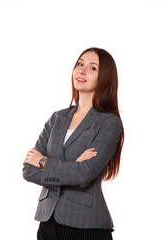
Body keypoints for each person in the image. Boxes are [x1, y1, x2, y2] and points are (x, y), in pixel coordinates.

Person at [23, 47, 124, 240]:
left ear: (105, 78)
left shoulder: (109, 122)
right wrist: (73, 168)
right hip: (47, 224)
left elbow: (85, 174)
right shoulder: (57, 118)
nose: (82, 70)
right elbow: (28, 170)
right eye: (80, 64)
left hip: (86, 226)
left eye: (92, 68)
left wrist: (43, 162)